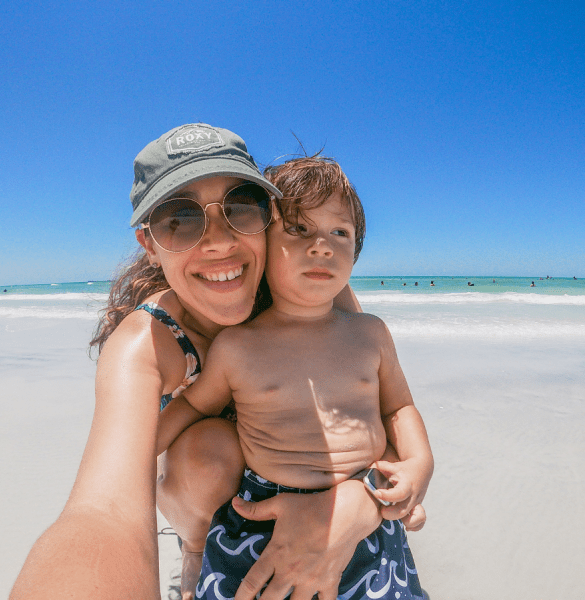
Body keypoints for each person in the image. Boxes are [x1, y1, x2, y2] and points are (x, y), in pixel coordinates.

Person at [11, 124, 390, 600]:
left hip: (301, 473)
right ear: (150, 245)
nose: (218, 242)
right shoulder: (149, 343)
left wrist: (362, 500)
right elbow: (102, 511)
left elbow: (378, 408)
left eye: (239, 208)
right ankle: (196, 548)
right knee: (208, 453)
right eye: (180, 220)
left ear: (269, 218)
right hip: (209, 484)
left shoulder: (308, 291)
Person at [157, 157, 433, 600]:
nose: (322, 246)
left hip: (363, 506)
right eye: (299, 230)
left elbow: (398, 406)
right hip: (259, 514)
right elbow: (192, 407)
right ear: (262, 246)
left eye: (339, 233)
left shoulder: (370, 334)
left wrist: (419, 464)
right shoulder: (238, 346)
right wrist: (137, 457)